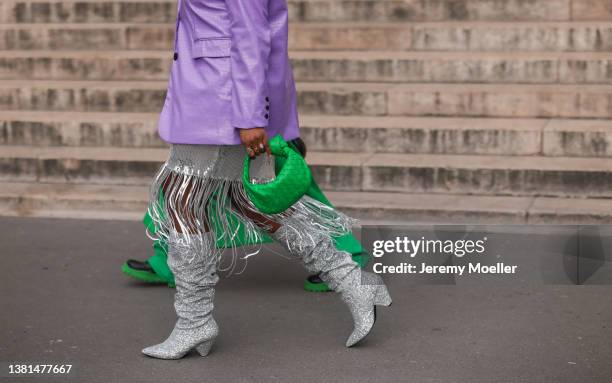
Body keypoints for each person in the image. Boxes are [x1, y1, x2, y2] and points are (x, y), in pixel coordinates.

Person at [140, 0, 391, 359]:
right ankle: (352, 282)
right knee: (243, 201)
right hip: (214, 93)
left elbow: (252, 36)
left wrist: (249, 116)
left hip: (222, 99)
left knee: (181, 199)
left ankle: (194, 322)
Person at [122, 138, 370, 292]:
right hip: (201, 118)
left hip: (245, 118)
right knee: (181, 191)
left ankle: (345, 257)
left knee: (285, 195)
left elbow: (259, 63)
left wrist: (281, 125)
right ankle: (170, 260)